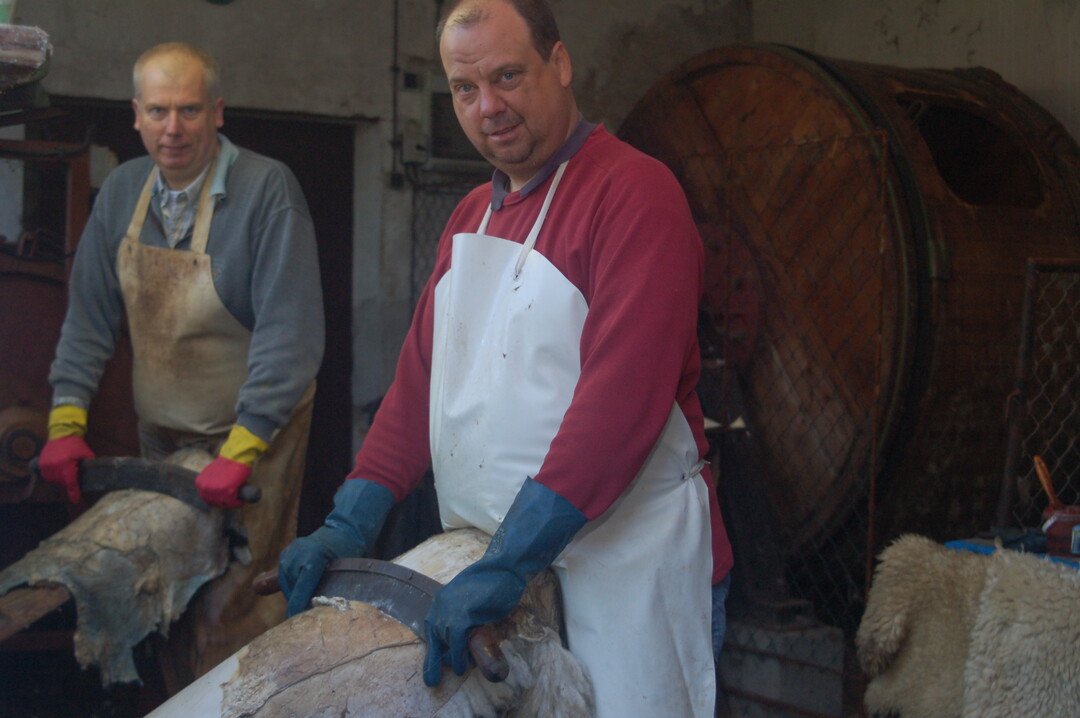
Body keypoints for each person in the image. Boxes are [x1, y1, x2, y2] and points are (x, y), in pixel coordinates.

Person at [278, 1, 732, 714]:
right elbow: (419, 389)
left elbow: (620, 408)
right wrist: (350, 519)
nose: (488, 106)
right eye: (466, 88)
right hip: (494, 565)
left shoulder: (634, 193)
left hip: (628, 569)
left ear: (560, 63)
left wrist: (510, 562)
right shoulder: (470, 219)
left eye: (508, 76)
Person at [38, 42, 324, 682]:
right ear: (136, 115)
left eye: (189, 110)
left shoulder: (266, 190)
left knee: (232, 608)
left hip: (253, 440)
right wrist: (64, 422)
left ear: (217, 112)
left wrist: (243, 448)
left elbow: (292, 336)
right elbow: (88, 320)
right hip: (161, 439)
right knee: (160, 600)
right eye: (159, 111)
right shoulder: (122, 192)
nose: (173, 128)